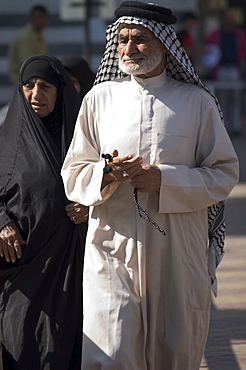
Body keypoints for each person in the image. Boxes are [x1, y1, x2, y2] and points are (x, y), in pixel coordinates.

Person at [61, 2, 239, 369]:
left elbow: (223, 173)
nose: (128, 49)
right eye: (123, 39)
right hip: (113, 244)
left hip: (176, 247)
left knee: (173, 351)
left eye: (140, 39)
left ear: (163, 43)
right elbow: (74, 172)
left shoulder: (197, 103)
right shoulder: (99, 100)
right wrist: (107, 174)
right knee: (111, 351)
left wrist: (165, 179)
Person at [0, 55, 88, 369]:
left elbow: (105, 184)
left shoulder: (82, 138)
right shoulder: (6, 139)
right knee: (21, 343)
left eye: (45, 86)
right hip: (20, 270)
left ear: (60, 91)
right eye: (29, 85)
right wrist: (2, 223)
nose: (36, 94)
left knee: (63, 348)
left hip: (68, 268)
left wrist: (90, 206)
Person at [205, 9, 246, 134]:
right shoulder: (215, 34)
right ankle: (224, 126)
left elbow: (243, 52)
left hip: (234, 68)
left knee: (235, 99)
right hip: (221, 69)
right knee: (222, 99)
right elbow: (208, 52)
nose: (229, 21)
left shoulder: (239, 34)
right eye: (227, 18)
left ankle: (235, 126)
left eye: (231, 18)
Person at [8, 4, 49, 85]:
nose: (40, 21)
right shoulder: (25, 37)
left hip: (34, 81)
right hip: (24, 83)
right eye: (37, 17)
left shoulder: (40, 37)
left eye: (43, 18)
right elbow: (29, 64)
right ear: (31, 18)